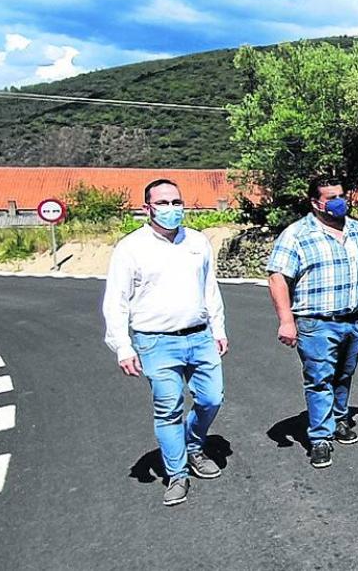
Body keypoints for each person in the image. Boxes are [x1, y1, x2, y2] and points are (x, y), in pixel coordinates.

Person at [102, 178, 228, 506]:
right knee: (169, 409)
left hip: (199, 336)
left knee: (212, 398)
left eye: (176, 202)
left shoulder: (198, 242)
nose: (171, 209)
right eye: (163, 203)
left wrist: (219, 329)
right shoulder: (131, 248)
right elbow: (116, 300)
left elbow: (209, 289)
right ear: (147, 208)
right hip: (155, 342)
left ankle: (194, 444)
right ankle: (178, 473)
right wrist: (123, 346)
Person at [267, 175, 358, 469]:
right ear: (315, 202)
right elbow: (278, 278)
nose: (340, 201)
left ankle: (339, 418)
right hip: (316, 323)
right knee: (319, 380)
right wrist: (286, 320)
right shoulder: (296, 234)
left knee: (343, 375)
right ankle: (320, 438)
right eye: (331, 197)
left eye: (342, 195)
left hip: (352, 320)